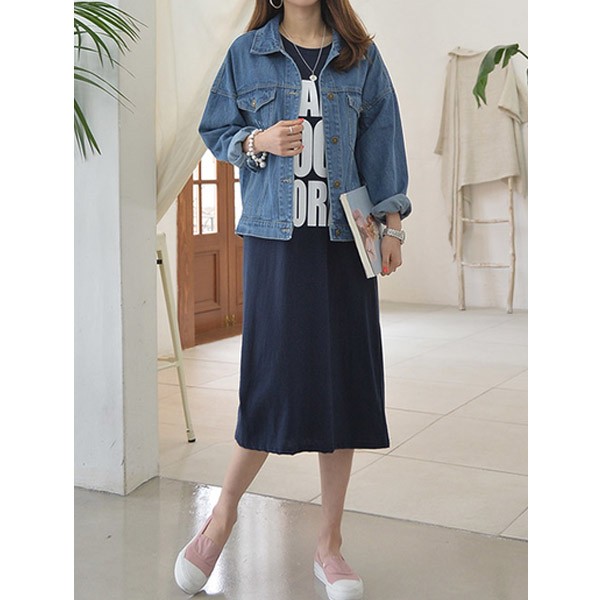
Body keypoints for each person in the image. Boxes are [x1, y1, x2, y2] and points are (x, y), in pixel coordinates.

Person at [174, 1, 412, 599]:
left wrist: (392, 225)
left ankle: (329, 545)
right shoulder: (246, 53)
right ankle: (221, 518)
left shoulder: (359, 56)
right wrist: (257, 139)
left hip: (345, 241)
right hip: (274, 242)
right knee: (269, 382)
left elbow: (383, 139)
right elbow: (216, 131)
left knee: (345, 385)